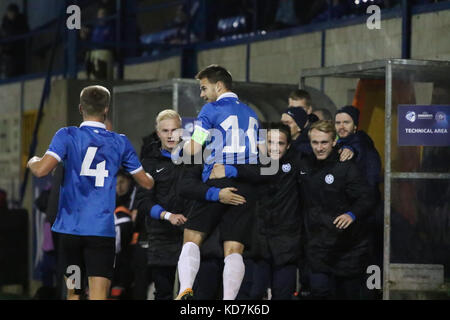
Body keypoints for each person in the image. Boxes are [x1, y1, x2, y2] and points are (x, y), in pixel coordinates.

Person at [27, 85, 154, 300]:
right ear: (106, 109)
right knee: (98, 295)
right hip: (100, 233)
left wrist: (33, 161)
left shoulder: (67, 135)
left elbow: (41, 170)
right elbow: (146, 183)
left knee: (74, 292)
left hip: (70, 232)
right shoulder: (119, 142)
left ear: (80, 108)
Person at [176, 65, 260, 300]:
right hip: (246, 184)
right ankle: (229, 300)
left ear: (219, 86)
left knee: (192, 236)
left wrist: (180, 146)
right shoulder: (252, 114)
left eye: (204, 88)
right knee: (234, 249)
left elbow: (193, 148)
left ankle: (185, 289)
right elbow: (261, 156)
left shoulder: (210, 110)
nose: (202, 94)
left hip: (218, 179)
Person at [299, 120, 375, 299]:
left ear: (334, 142)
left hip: (346, 248)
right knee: (319, 292)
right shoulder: (304, 165)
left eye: (324, 142)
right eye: (315, 143)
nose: (319, 147)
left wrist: (352, 214)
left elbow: (367, 197)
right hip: (317, 247)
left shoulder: (346, 167)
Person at [135, 109, 189, 300]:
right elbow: (143, 201)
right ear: (158, 133)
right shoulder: (148, 163)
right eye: (165, 131)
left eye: (174, 130)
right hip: (161, 236)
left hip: (190, 236)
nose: (170, 135)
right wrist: (168, 215)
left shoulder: (194, 158)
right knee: (163, 293)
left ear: (182, 131)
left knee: (188, 293)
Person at [0, 3, 29, 78]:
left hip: (19, 51)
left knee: (20, 71)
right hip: (9, 53)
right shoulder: (5, 23)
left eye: (12, 12)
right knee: (10, 73)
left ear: (16, 13)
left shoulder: (21, 20)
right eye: (9, 12)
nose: (11, 15)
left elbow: (25, 32)